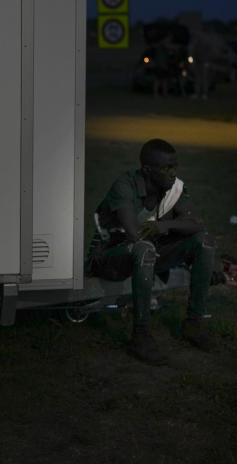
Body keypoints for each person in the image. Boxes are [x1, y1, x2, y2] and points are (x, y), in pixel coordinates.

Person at [86, 138, 216, 364]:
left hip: (146, 252)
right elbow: (134, 234)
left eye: (175, 166)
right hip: (109, 258)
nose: (173, 173)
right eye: (167, 168)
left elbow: (198, 224)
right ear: (147, 170)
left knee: (204, 241)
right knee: (144, 248)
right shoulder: (125, 185)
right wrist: (166, 229)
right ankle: (140, 334)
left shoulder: (173, 189)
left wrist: (166, 225)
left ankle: (194, 322)